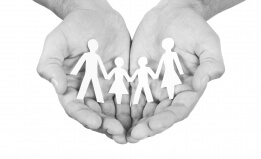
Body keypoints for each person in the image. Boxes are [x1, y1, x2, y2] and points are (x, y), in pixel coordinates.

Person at [34, 0, 245, 144]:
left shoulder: (166, 57)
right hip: (99, 76)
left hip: (138, 79)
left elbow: (166, 69)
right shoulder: (94, 57)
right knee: (95, 85)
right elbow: (95, 68)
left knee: (106, 87)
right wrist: (82, 5)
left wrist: (190, 4)